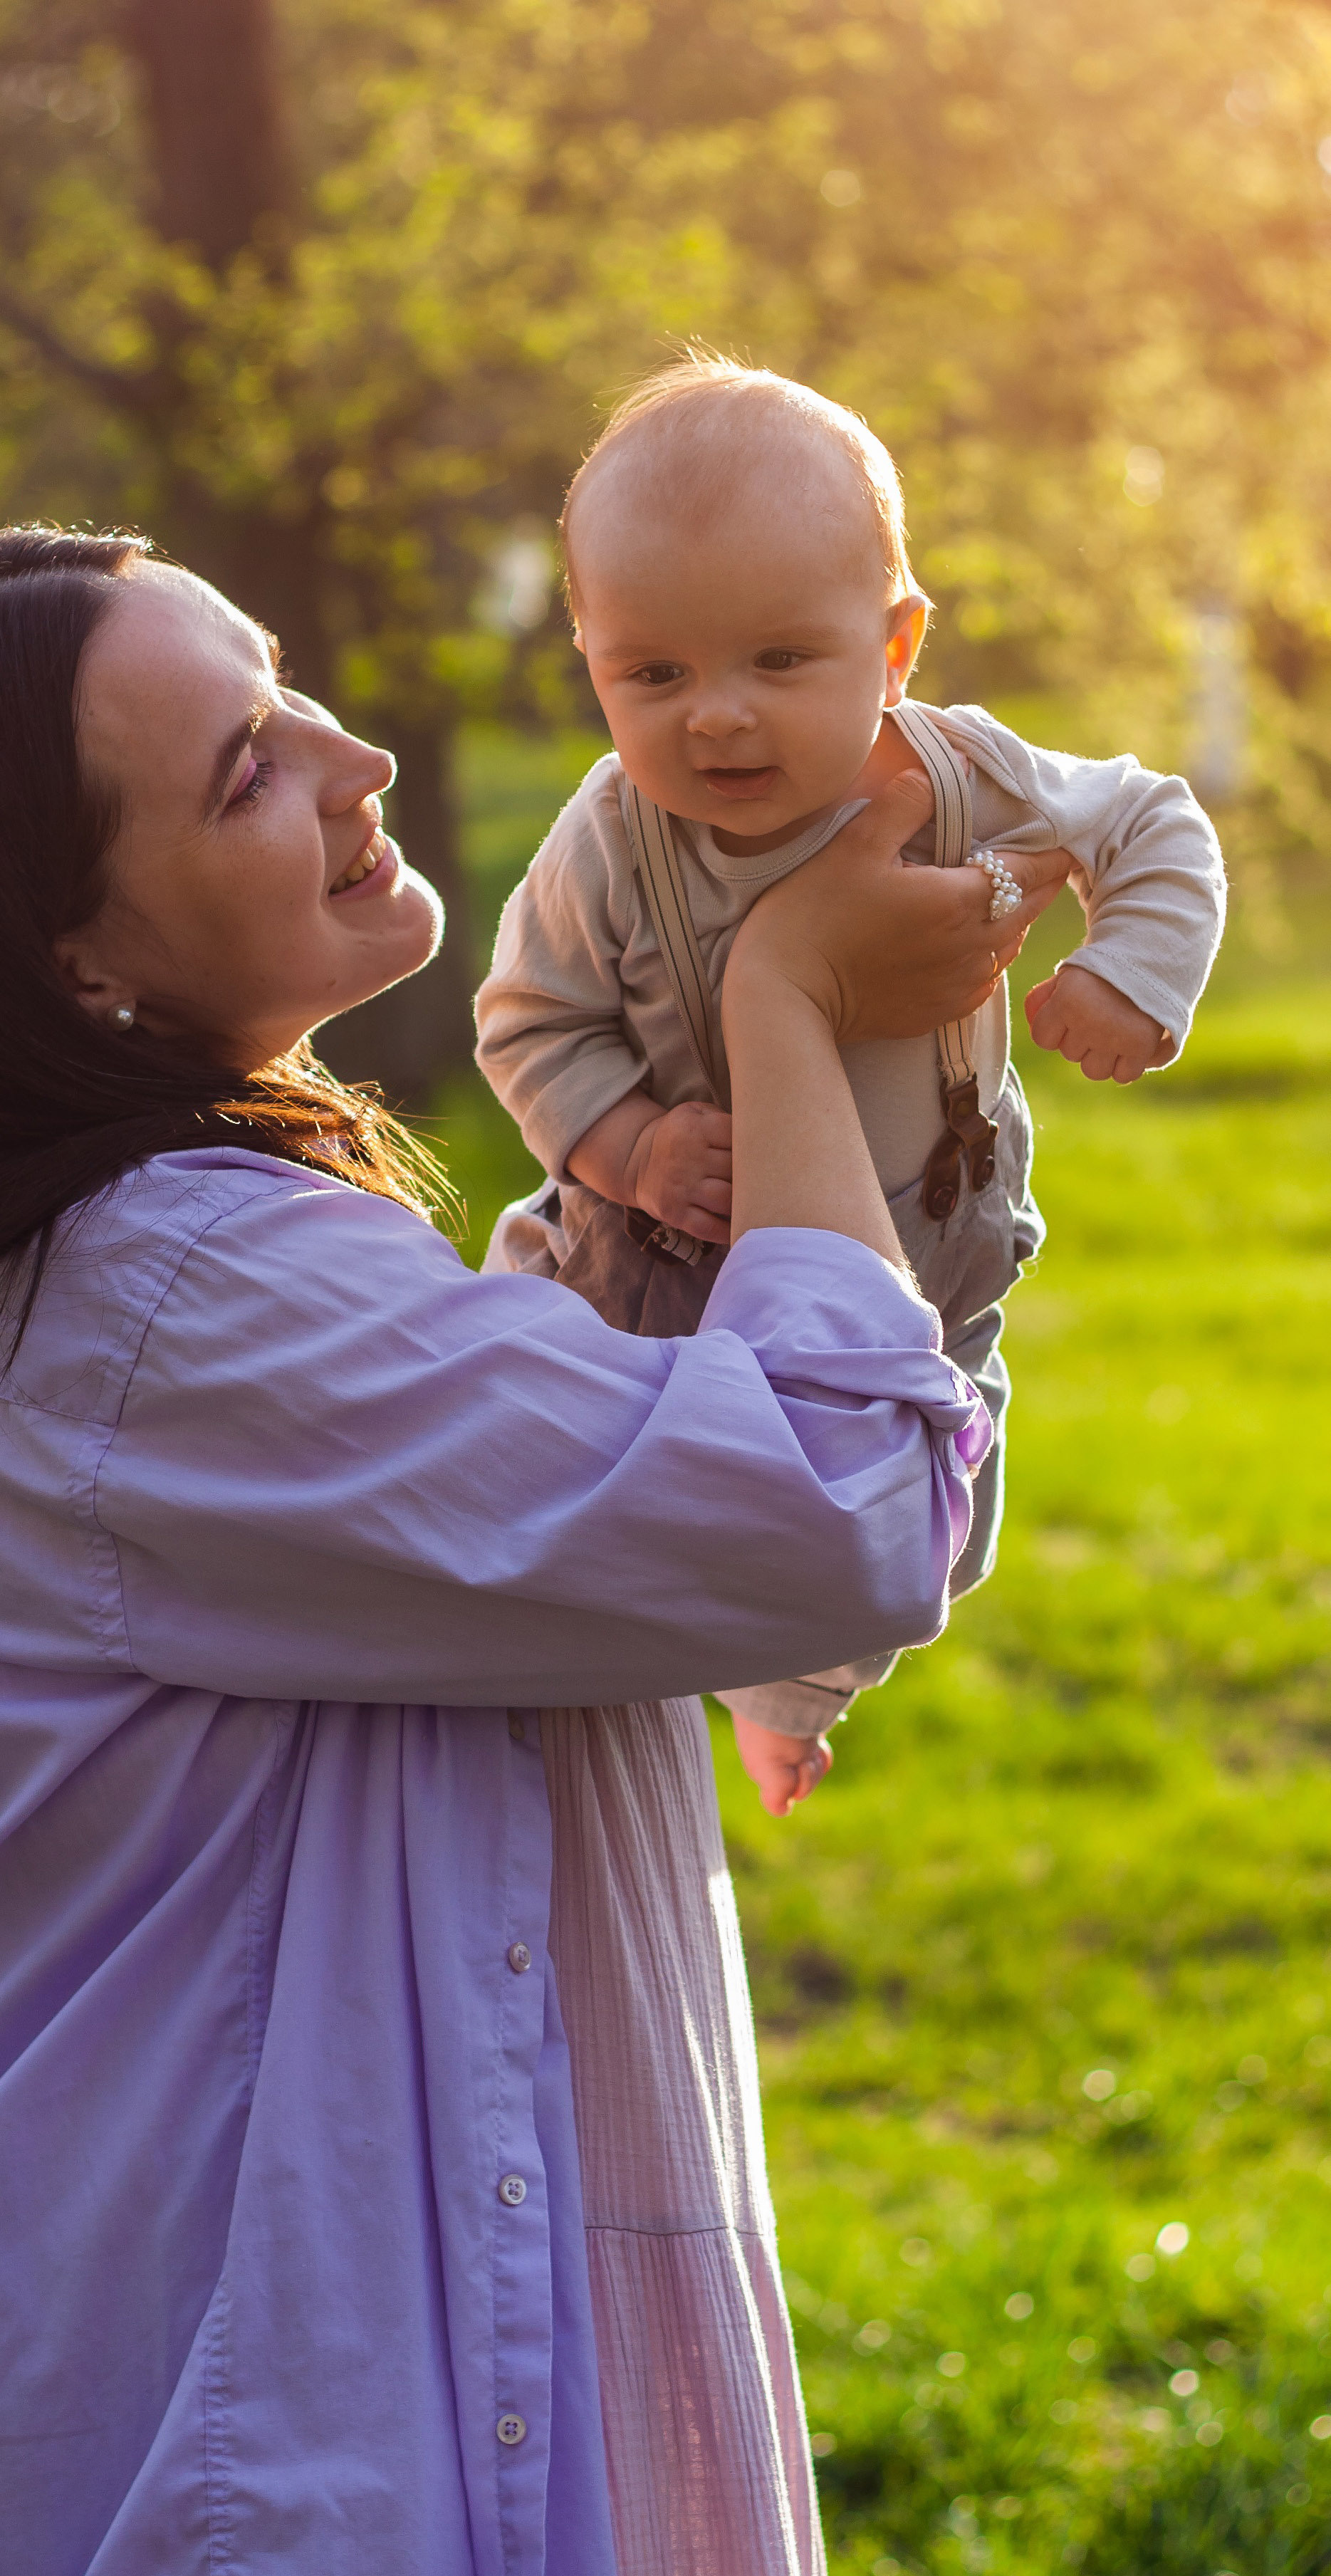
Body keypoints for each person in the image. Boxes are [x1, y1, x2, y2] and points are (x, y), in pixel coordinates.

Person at [0, 526, 1058, 2576]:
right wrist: (783, 1002)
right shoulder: (164, 1303)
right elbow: (836, 1506)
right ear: (65, 957)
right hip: (260, 2489)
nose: (357, 757)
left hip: (117, 2404)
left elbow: (487, 1479)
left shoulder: (6, 1266)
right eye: (244, 766)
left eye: (284, 685)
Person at [475, 357, 1226, 1820]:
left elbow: (1151, 818)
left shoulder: (960, 775)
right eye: (653, 675)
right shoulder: (609, 841)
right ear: (589, 660)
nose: (715, 719)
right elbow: (528, 1023)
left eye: (777, 660)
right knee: (598, 1458)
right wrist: (628, 1147)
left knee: (925, 1536)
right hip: (670, 1268)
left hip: (922, 1259)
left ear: (892, 646)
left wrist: (1131, 969)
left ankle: (789, 1698)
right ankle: (655, 1683)